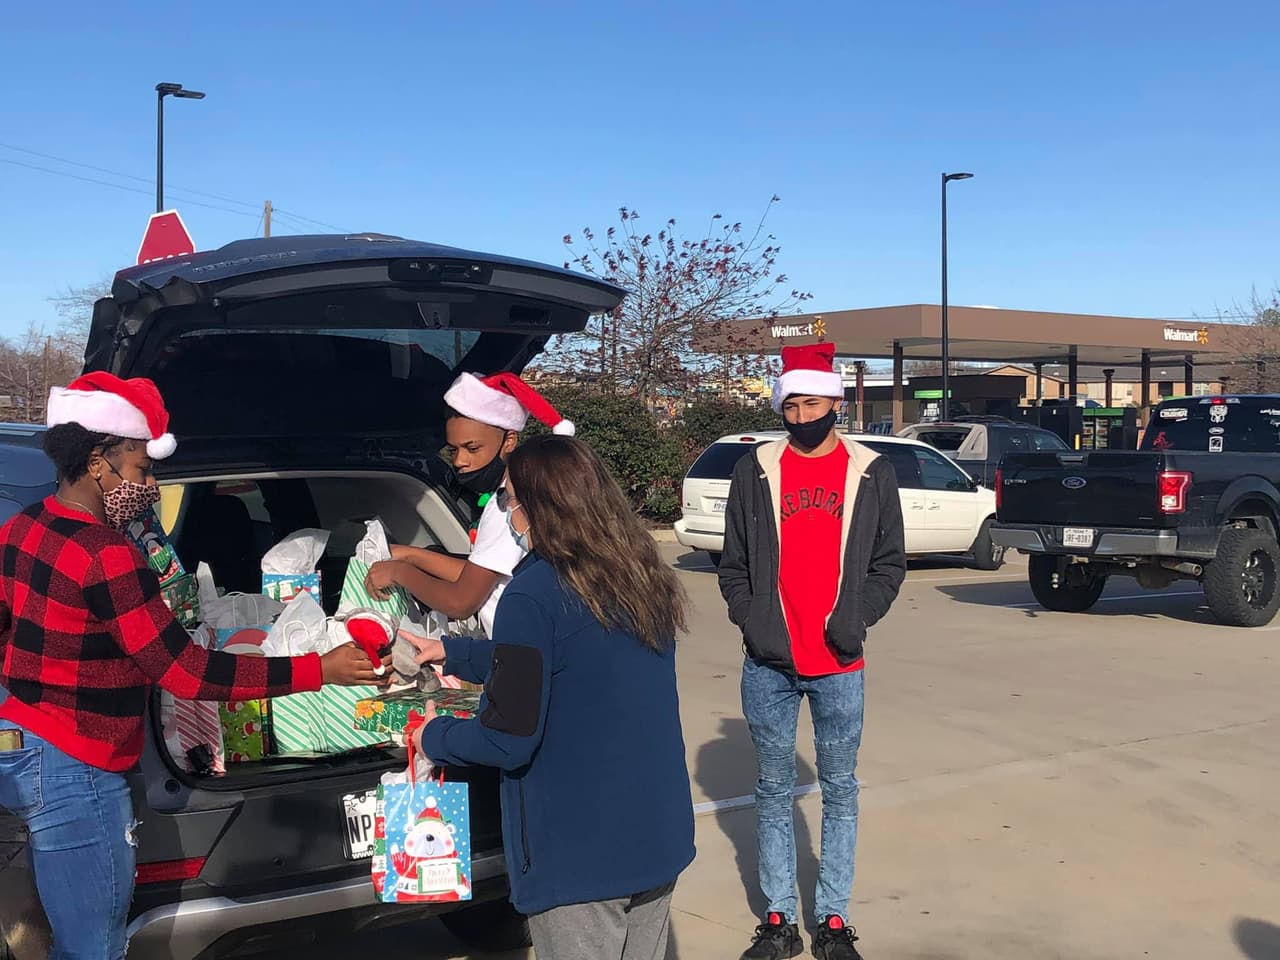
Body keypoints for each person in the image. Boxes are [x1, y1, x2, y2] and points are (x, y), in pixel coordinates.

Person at [0, 373, 383, 960]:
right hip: (76, 766)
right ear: (98, 462)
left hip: (27, 741)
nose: (150, 485)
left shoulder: (23, 528)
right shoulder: (108, 553)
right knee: (92, 947)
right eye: (142, 467)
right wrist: (319, 670)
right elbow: (187, 673)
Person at [410, 435, 695, 960]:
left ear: (538, 506)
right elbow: (565, 659)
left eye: (509, 498)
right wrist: (452, 653)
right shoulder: (636, 574)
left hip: (579, 853)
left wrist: (433, 736)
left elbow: (506, 740)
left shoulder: (532, 592)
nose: (507, 512)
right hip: (657, 835)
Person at [718, 343, 906, 960]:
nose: (801, 416)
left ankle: (832, 920)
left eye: (813, 404)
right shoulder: (757, 468)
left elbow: (888, 563)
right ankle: (777, 921)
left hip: (839, 662)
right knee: (772, 789)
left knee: (839, 790)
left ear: (836, 402)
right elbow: (735, 562)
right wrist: (752, 622)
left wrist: (857, 618)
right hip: (768, 660)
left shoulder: (871, 471)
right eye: (791, 405)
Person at [365, 371, 574, 638]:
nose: (459, 461)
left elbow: (461, 602)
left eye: (472, 448)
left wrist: (400, 572)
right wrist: (411, 554)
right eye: (453, 450)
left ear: (509, 441)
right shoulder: (512, 494)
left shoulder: (508, 507)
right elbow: (482, 573)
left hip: (522, 653)